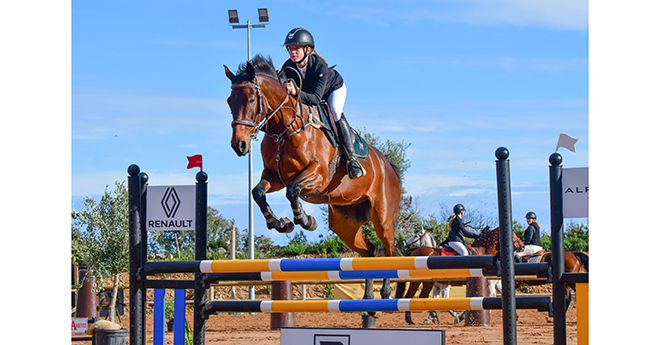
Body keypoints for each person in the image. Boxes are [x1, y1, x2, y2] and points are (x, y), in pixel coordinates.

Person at [279, 27, 366, 179]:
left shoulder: (319, 65)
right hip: (308, 94)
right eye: (290, 48)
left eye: (296, 48)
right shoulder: (287, 67)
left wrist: (296, 92)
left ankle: (352, 159)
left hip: (332, 90)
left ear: (308, 49)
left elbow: (315, 99)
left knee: (334, 111)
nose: (293, 52)